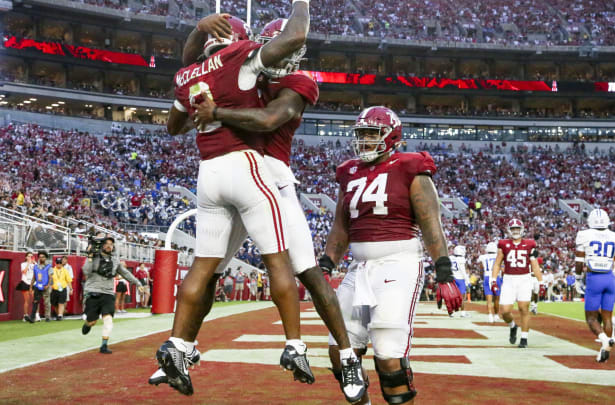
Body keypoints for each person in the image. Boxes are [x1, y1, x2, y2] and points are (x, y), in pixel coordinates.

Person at [189, 15, 366, 402]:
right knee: (209, 270)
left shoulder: (297, 82)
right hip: (236, 174)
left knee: (308, 270)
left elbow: (270, 120)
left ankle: (349, 355)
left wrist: (216, 112)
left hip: (272, 178)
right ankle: (183, 347)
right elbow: (188, 66)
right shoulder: (240, 70)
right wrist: (202, 28)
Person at [154, 4, 317, 396]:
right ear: (238, 39)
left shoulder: (188, 74)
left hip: (207, 173)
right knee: (277, 257)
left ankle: (176, 345)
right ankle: (294, 345)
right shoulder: (239, 56)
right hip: (244, 164)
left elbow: (173, 126)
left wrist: (197, 41)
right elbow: (293, 38)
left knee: (203, 266)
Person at [321, 106, 462, 405]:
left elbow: (430, 224)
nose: (365, 141)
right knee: (340, 350)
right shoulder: (349, 172)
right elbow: (340, 228)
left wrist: (444, 273)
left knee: (388, 356)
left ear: (392, 136)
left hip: (399, 263)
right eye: (362, 134)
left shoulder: (411, 166)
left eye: (372, 134)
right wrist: (324, 265)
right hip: (360, 267)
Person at [575, 208, 615, 363]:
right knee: (607, 317)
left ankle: (605, 341)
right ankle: (606, 351)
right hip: (610, 279)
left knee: (591, 318)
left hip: (594, 278)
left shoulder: (584, 235)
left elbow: (579, 261)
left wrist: (578, 278)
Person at [81, 236, 146, 354]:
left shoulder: (115, 260)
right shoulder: (93, 256)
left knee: (108, 320)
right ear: (101, 245)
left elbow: (125, 273)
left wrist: (137, 283)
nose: (108, 246)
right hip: (93, 290)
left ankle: (104, 345)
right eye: (106, 243)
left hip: (108, 292)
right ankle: (88, 323)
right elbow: (86, 271)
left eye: (111, 244)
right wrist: (90, 257)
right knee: (92, 321)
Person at [491, 218, 543, 348]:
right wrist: (493, 279)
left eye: (517, 228)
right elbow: (497, 263)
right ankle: (513, 326)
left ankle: (524, 338)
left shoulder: (530, 244)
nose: (515, 231)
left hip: (524, 278)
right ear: (509, 230)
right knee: (504, 311)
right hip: (508, 279)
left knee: (523, 308)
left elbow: (535, 265)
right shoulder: (503, 244)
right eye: (513, 229)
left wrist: (541, 281)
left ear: (522, 230)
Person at [480, 242, 501, 323]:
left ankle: (490, 315)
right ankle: (496, 315)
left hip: (487, 276)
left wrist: (482, 277)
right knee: (497, 298)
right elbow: (501, 268)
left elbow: (481, 269)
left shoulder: (483, 257)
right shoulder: (498, 256)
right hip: (496, 277)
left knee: (489, 298)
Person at [30, 251, 52, 322]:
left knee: (47, 302)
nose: (41, 258)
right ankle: (34, 316)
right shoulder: (36, 266)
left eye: (43, 257)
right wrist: (31, 286)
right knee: (36, 301)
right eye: (40, 257)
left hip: (45, 286)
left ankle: (47, 316)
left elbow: (50, 277)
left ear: (46, 258)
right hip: (37, 286)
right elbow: (34, 277)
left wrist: (48, 285)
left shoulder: (48, 266)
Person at [449, 245, 469, 317]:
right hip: (460, 279)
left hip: (452, 278)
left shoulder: (451, 258)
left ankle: (451, 312)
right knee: (462, 297)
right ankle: (463, 313)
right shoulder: (462, 259)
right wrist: (467, 281)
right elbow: (463, 271)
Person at [16, 252, 35, 322]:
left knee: (35, 299)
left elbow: (38, 272)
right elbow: (24, 272)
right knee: (27, 300)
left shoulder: (34, 264)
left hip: (32, 283)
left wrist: (34, 263)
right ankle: (25, 315)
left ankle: (35, 315)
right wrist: (28, 263)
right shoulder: (23, 264)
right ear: (26, 257)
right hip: (25, 282)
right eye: (29, 256)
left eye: (31, 256)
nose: (30, 258)